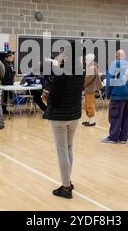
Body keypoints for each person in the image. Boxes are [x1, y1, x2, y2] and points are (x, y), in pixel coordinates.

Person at [43, 50, 84, 199]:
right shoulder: (81, 71)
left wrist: (46, 96)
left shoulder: (61, 73)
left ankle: (66, 187)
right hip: (74, 114)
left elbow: (54, 97)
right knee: (69, 147)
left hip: (60, 116)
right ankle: (68, 180)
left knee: (62, 150)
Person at [102, 49, 128, 144]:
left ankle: (113, 137)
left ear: (116, 56)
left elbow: (109, 80)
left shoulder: (114, 64)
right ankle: (123, 138)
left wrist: (108, 94)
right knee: (127, 117)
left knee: (115, 116)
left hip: (118, 94)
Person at [82, 54, 102, 127]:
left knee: (90, 105)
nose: (85, 61)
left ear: (90, 60)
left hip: (90, 89)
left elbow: (88, 79)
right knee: (87, 104)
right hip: (88, 88)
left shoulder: (92, 68)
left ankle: (92, 120)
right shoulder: (90, 67)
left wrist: (81, 85)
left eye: (86, 60)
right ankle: (90, 119)